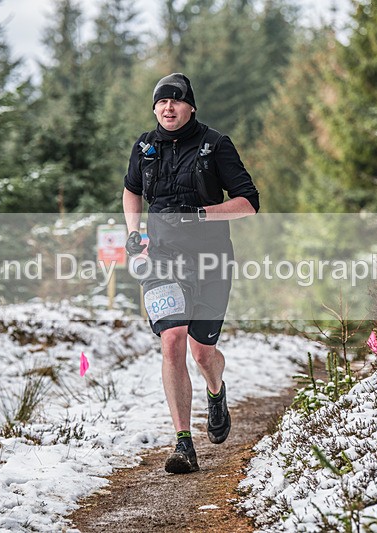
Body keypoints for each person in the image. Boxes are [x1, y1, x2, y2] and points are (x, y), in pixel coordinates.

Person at [122, 73, 259, 474]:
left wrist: (202, 213)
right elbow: (131, 189)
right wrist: (133, 233)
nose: (168, 109)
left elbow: (249, 202)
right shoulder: (144, 146)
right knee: (172, 339)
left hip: (212, 259)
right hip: (162, 258)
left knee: (202, 352)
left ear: (191, 107)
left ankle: (215, 390)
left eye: (176, 102)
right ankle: (183, 443)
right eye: (161, 103)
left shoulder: (216, 145)